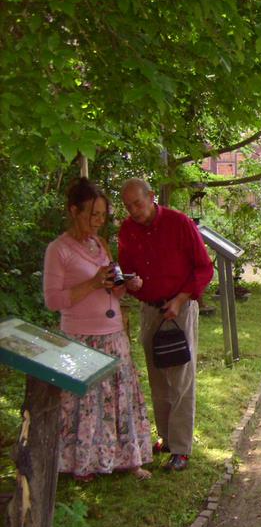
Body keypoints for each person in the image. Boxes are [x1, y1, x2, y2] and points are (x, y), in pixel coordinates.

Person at [43, 178, 152, 482]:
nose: (98, 221)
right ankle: (85, 462)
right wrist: (92, 283)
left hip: (112, 333)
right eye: (93, 214)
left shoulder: (99, 244)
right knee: (86, 403)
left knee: (118, 399)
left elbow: (110, 291)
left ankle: (127, 457)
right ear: (73, 211)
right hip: (81, 337)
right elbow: (53, 300)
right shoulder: (59, 250)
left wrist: (125, 285)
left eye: (103, 215)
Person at [118, 178, 214, 472]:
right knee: (157, 375)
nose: (133, 210)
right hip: (150, 310)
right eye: (128, 205)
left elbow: (204, 267)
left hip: (180, 308)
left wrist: (181, 300)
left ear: (151, 196)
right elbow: (126, 270)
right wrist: (130, 282)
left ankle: (182, 448)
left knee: (181, 378)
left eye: (138, 203)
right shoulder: (127, 230)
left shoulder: (179, 223)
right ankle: (167, 438)